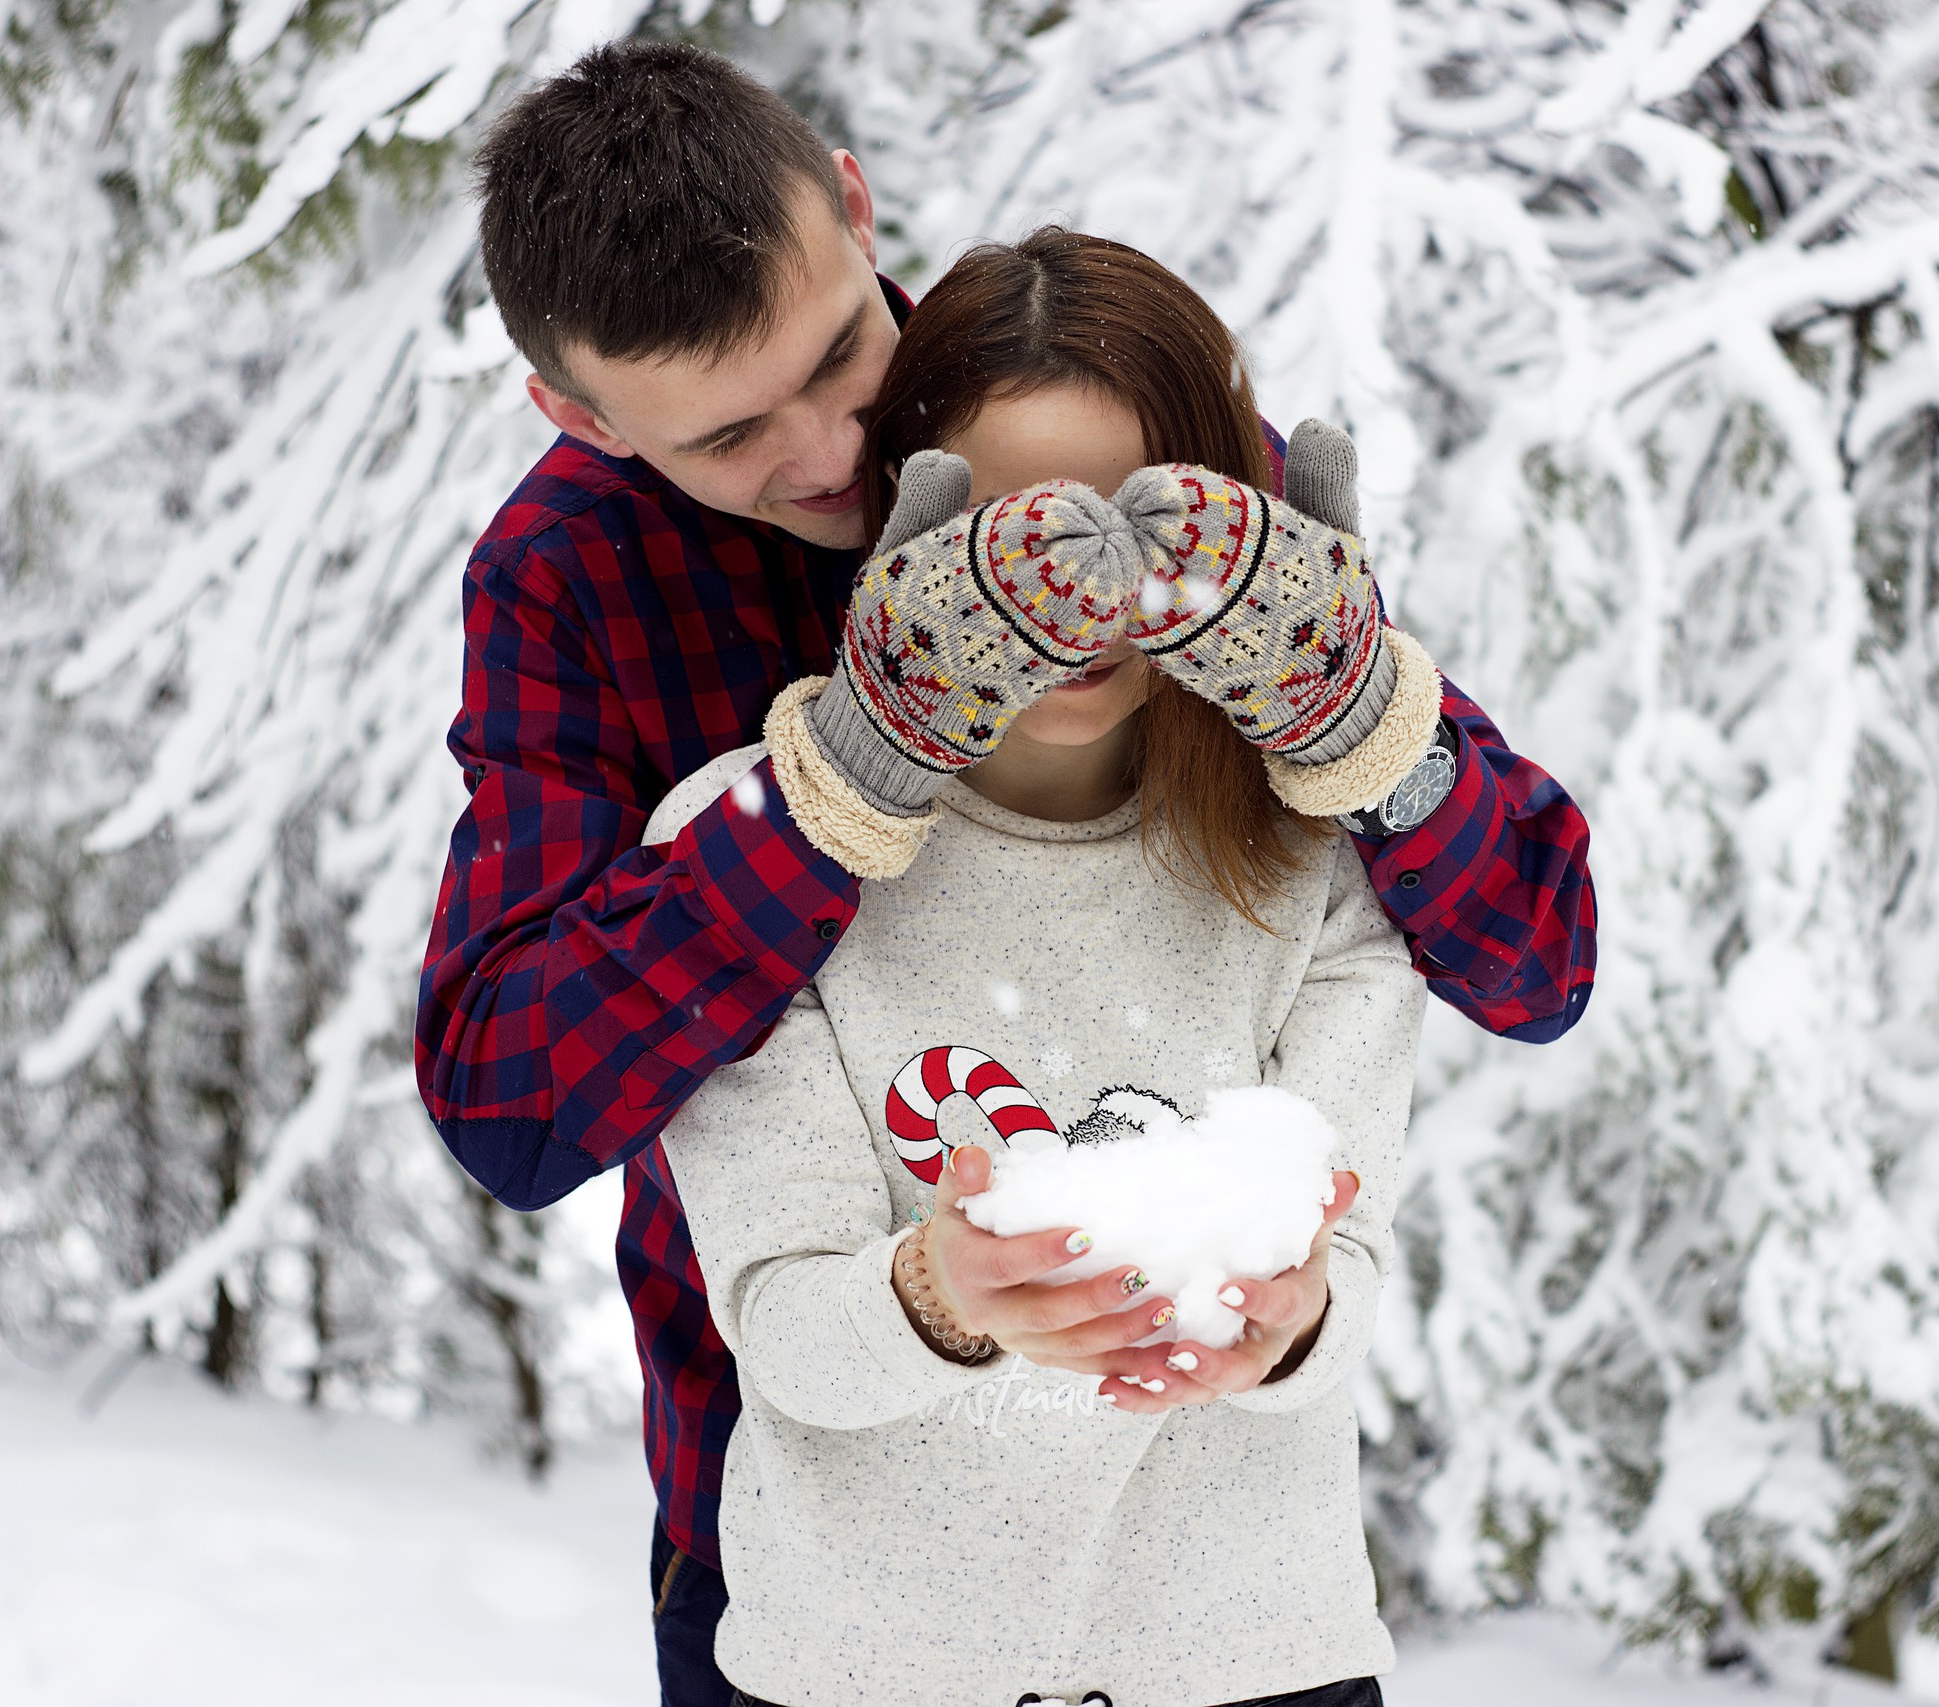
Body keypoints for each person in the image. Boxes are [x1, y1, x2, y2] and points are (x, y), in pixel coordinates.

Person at [414, 37, 1597, 1707]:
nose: (833, 451)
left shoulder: (1077, 419)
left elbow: (1534, 957)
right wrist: (838, 793)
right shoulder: (572, 581)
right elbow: (512, 1104)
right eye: (731, 435)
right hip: (804, 1539)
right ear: (579, 416)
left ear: (852, 199)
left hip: (1207, 1567)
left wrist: (1363, 720)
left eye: (840, 355)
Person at [652, 226, 1424, 1707]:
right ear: (905, 530)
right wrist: (940, 1292)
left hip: (1254, 1664)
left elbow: (1353, 1282)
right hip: (857, 1672)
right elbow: (786, 1331)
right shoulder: (749, 849)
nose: (1073, 597)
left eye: (1139, 533)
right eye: (1015, 534)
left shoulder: (1318, 855)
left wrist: (1291, 1322)